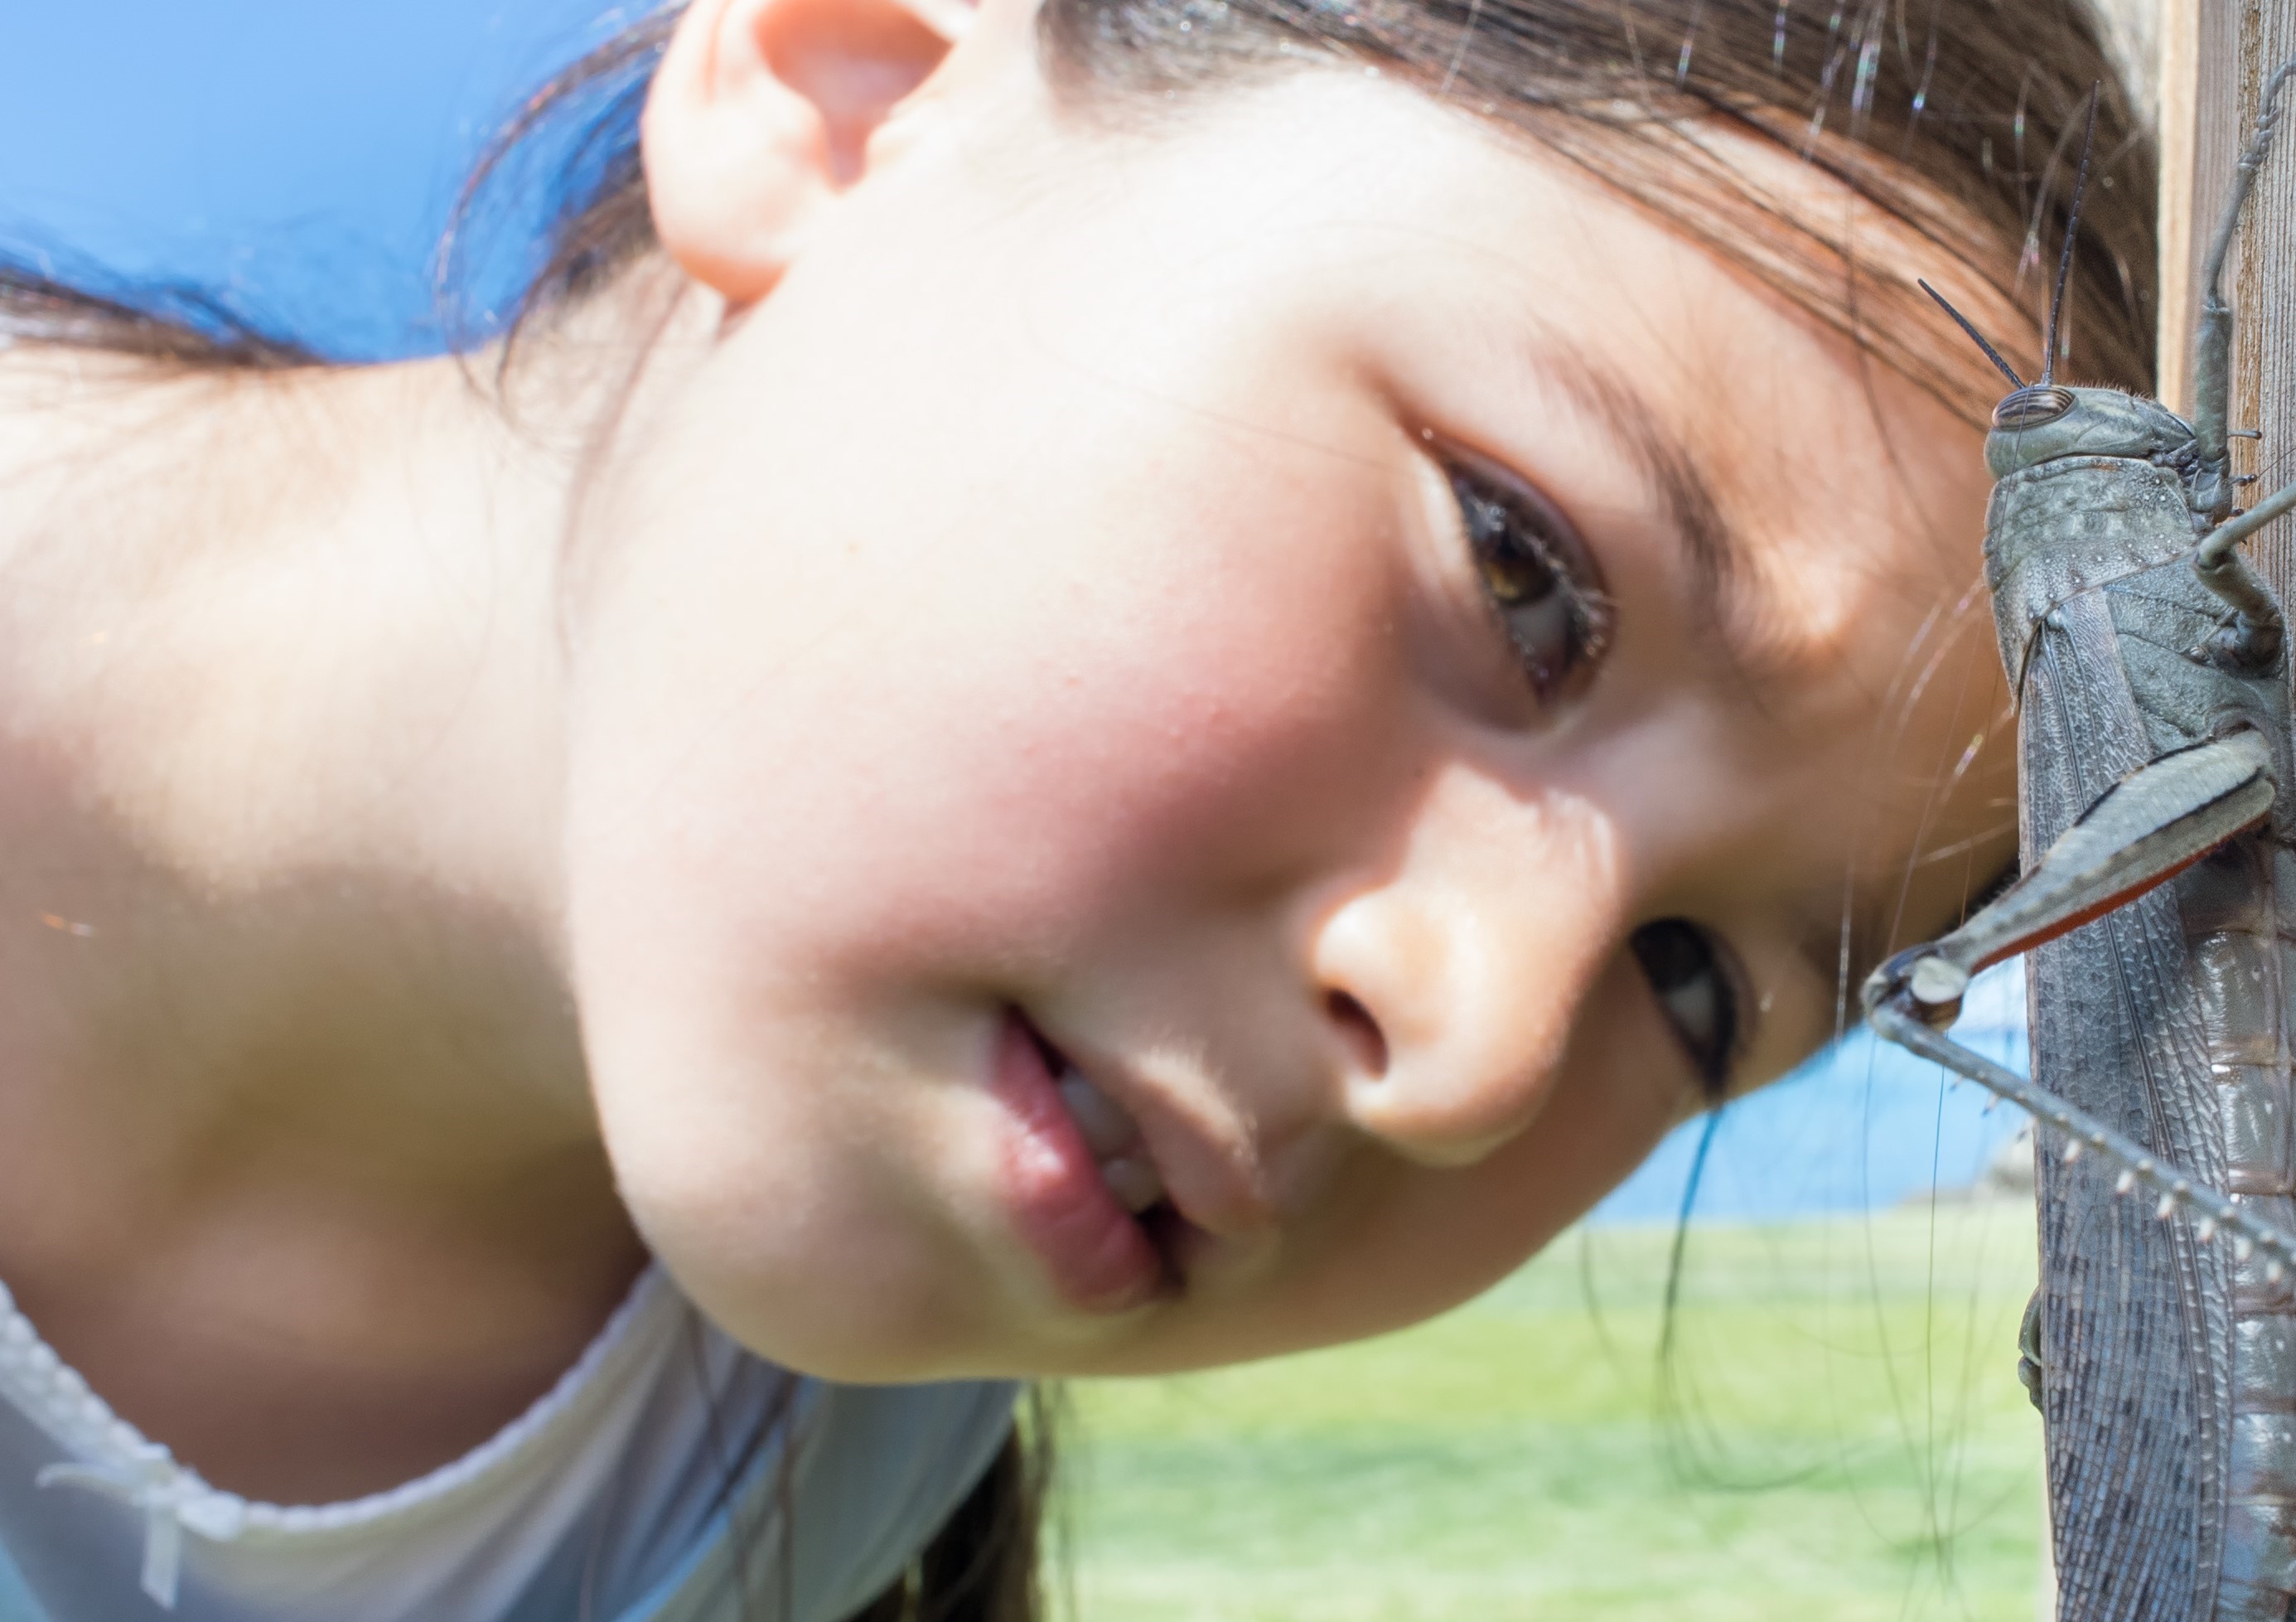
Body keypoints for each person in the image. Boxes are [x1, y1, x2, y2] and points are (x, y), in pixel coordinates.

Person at [0, 0, 2150, 1615]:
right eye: (1520, 573)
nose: (1479, 1051)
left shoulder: (821, 1460)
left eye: (1695, 997)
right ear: (850, 88)